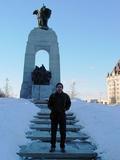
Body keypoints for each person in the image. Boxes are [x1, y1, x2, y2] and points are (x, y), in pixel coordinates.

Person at [48, 83, 71, 152]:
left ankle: (62, 146)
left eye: (60, 87)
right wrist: (53, 109)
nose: (59, 88)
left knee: (63, 132)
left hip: (62, 116)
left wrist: (65, 109)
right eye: (58, 87)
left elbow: (69, 103)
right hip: (54, 116)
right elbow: (49, 104)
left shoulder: (66, 96)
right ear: (56, 88)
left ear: (62, 88)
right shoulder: (52, 96)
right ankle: (53, 146)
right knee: (53, 132)